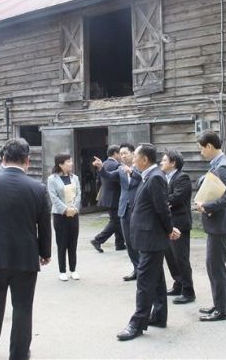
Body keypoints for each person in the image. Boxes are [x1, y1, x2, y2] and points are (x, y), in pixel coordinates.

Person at [0, 138, 52, 360]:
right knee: (23, 308)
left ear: (3, 159)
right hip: (25, 259)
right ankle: (19, 353)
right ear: (27, 160)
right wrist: (45, 253)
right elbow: (44, 225)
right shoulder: (38, 188)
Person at [116, 143, 180, 342]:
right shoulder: (148, 176)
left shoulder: (155, 178)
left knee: (144, 281)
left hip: (152, 237)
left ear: (144, 160)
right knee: (157, 278)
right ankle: (159, 316)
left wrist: (169, 230)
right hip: (148, 237)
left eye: (135, 156)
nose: (132, 159)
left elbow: (162, 209)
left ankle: (137, 323)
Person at [194, 131, 226, 322]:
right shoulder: (217, 164)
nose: (201, 152)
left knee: (216, 267)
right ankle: (218, 304)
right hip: (216, 224)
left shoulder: (223, 166)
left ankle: (222, 311)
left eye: (202, 148)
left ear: (209, 146)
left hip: (220, 225)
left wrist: (205, 206)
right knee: (213, 266)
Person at [93, 143, 141, 281]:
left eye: (126, 153)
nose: (123, 156)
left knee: (139, 240)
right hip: (123, 208)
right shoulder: (120, 169)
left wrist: (132, 172)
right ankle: (136, 269)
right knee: (129, 242)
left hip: (138, 208)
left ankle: (143, 269)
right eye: (121, 153)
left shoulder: (140, 168)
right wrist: (101, 168)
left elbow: (143, 179)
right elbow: (107, 176)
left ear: (133, 153)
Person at [160, 149, 195, 304]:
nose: (161, 162)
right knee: (170, 257)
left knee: (181, 258)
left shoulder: (182, 178)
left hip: (180, 224)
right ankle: (178, 284)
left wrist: (160, 200)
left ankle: (188, 291)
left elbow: (177, 197)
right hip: (168, 224)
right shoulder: (165, 178)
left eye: (164, 160)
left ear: (173, 163)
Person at [47, 154, 81, 281]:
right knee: (62, 243)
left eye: (71, 161)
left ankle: (73, 269)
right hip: (60, 215)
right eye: (68, 161)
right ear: (60, 164)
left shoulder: (75, 178)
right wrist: (65, 209)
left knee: (73, 242)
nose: (71, 163)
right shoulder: (52, 179)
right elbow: (53, 197)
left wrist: (74, 209)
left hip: (74, 214)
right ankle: (62, 270)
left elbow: (78, 194)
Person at [90, 145, 125, 252]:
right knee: (115, 221)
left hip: (106, 196)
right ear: (115, 153)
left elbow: (98, 181)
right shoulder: (117, 165)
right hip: (115, 197)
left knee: (117, 220)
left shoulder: (103, 164)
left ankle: (119, 244)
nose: (121, 156)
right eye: (120, 153)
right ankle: (98, 240)